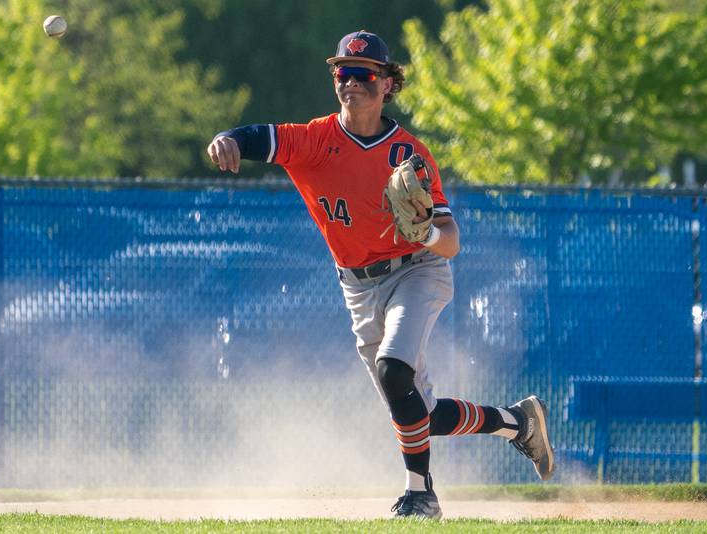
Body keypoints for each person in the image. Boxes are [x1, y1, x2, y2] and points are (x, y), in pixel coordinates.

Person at [207, 30, 555, 519]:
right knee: (416, 411)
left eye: (364, 74)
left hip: (416, 270)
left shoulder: (407, 155)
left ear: (388, 83)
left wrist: (424, 234)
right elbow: (256, 137)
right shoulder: (314, 140)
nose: (352, 83)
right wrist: (227, 139)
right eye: (343, 73)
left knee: (395, 370)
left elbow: (451, 242)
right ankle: (518, 423)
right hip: (356, 284)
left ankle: (421, 495)